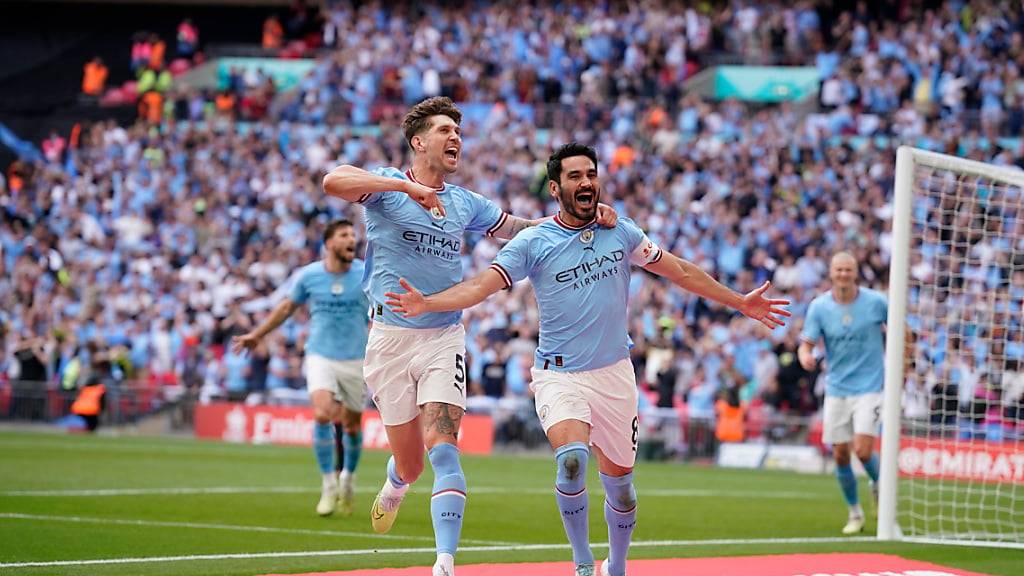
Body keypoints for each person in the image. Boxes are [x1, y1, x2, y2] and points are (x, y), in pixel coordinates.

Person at [384, 142, 790, 576]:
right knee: (572, 461)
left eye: (591, 174)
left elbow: (679, 270)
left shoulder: (622, 230)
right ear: (556, 188)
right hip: (559, 375)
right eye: (576, 176)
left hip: (615, 373)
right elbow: (482, 285)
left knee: (623, 490)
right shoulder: (533, 242)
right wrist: (428, 303)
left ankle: (615, 565)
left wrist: (738, 302)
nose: (587, 182)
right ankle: (581, 562)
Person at [322, 99, 616, 576]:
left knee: (445, 448)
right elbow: (333, 181)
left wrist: (582, 218)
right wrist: (402, 187)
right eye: (444, 130)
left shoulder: (465, 202)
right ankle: (397, 482)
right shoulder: (385, 188)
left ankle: (444, 563)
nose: (455, 137)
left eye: (457, 130)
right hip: (388, 339)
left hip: (442, 337)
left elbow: (516, 229)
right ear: (419, 142)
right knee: (413, 465)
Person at [232, 220, 368, 517]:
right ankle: (328, 484)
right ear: (329, 242)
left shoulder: (365, 272)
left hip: (356, 359)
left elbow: (383, 308)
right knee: (321, 413)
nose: (352, 241)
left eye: (354, 237)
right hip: (320, 355)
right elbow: (285, 308)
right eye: (345, 235)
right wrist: (257, 334)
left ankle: (348, 479)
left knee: (352, 425)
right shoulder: (309, 276)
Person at [798, 251, 889, 535]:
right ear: (830, 272)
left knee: (862, 450)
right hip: (837, 387)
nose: (843, 275)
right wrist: (805, 356)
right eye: (838, 270)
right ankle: (854, 513)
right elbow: (807, 343)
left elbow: (903, 331)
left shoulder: (876, 302)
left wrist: (905, 361)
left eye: (848, 270)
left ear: (856, 272)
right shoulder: (819, 307)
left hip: (870, 386)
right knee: (839, 455)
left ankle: (879, 486)